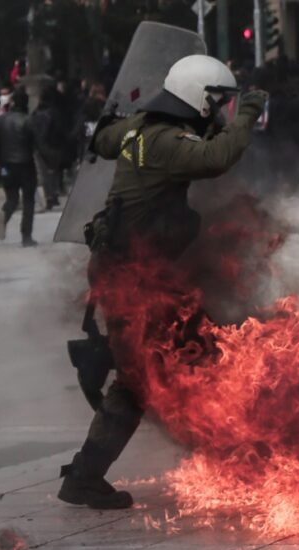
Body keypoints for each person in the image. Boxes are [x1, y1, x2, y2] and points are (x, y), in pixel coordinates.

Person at [56, 55, 268, 510]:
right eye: (216, 100)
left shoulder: (139, 130)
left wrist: (119, 116)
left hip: (133, 272)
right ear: (195, 95)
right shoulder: (166, 140)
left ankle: (239, 456)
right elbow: (216, 158)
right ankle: (84, 476)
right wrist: (248, 113)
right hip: (134, 278)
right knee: (142, 378)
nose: (220, 108)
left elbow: (105, 138)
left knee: (202, 348)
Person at [0, 88, 38, 247]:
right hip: (26, 164)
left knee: (12, 198)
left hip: (6, 164)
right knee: (28, 201)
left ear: (13, 102)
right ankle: (26, 236)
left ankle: (5, 213)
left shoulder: (1, 120)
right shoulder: (28, 120)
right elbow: (36, 142)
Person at [30, 86, 67, 210]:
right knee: (54, 171)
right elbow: (60, 129)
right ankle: (55, 193)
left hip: (40, 146)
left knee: (44, 172)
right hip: (54, 145)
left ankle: (49, 196)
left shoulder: (35, 113)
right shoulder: (55, 112)